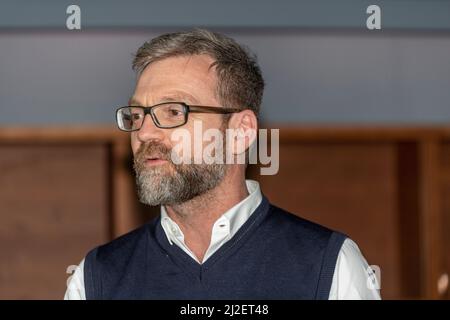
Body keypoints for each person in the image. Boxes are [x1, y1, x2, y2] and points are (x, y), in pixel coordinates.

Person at [65, 29, 380, 300]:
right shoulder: (96, 279)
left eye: (174, 112)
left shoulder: (330, 265)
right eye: (137, 115)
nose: (144, 132)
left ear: (241, 131)